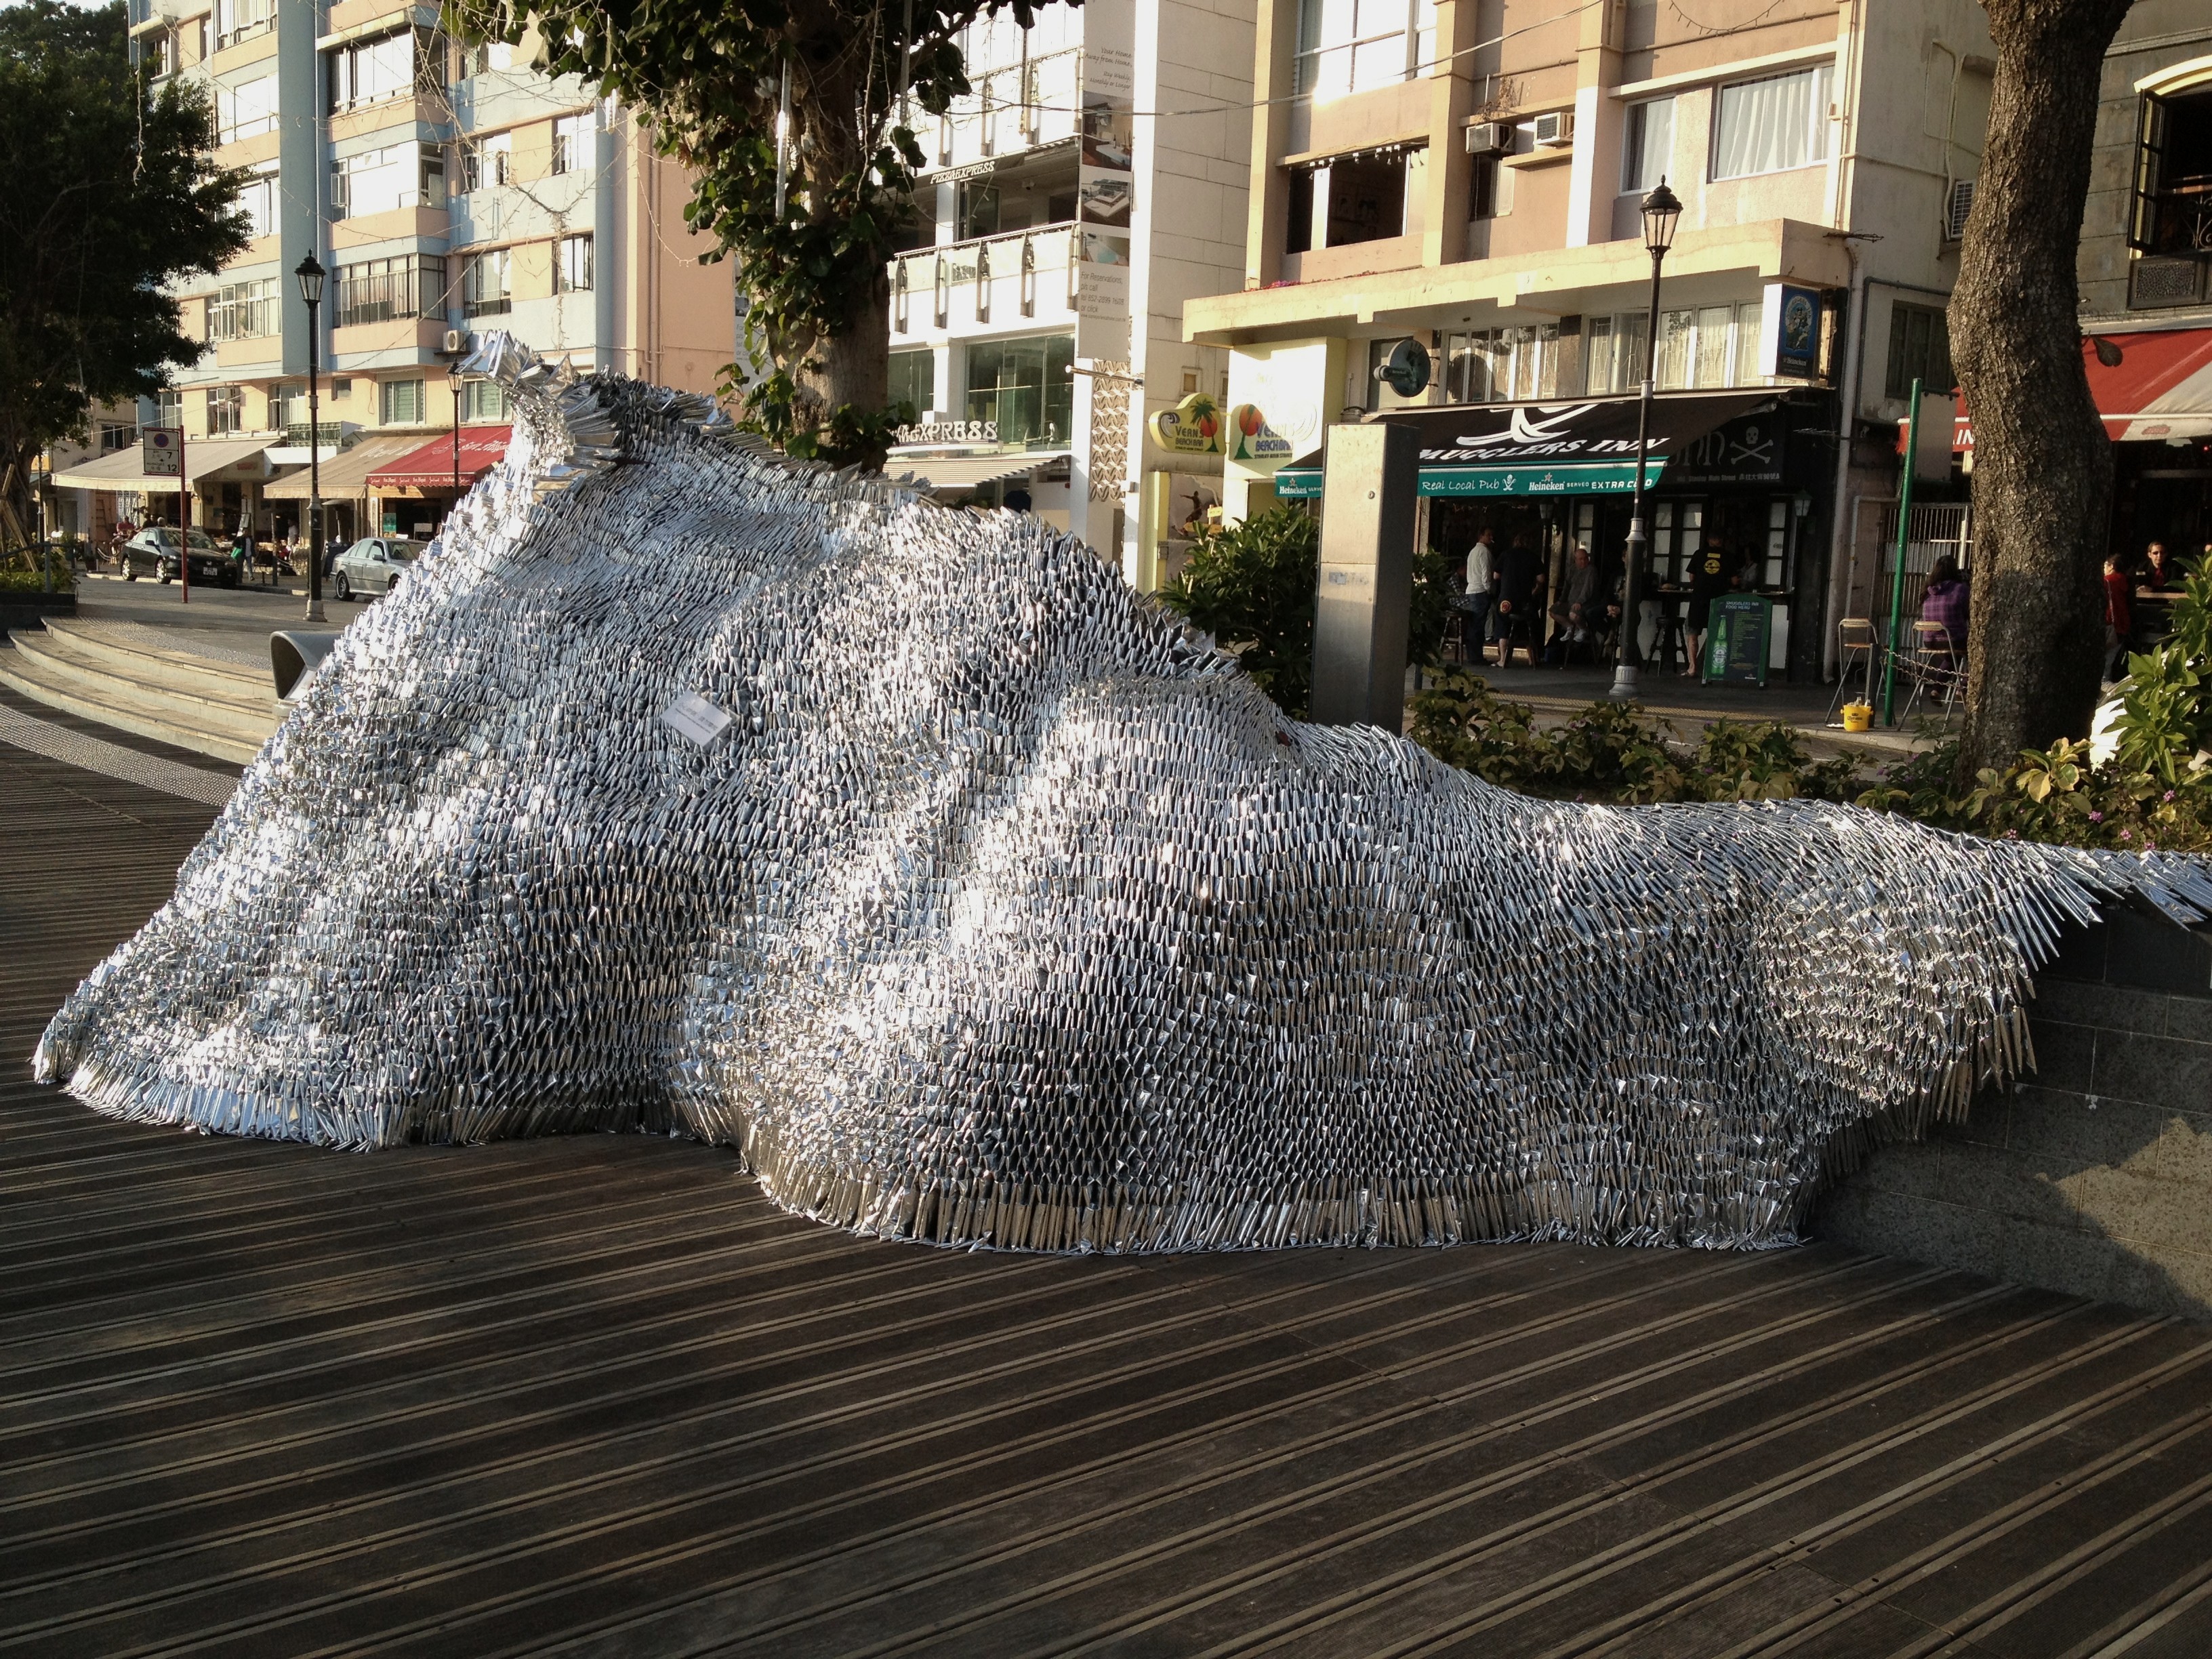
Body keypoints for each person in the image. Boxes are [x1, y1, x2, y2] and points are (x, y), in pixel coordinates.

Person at [1685, 535, 1732, 674]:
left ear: (1709, 540)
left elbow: (1691, 577)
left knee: (1692, 632)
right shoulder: (1728, 556)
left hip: (1698, 598)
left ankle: (1693, 667)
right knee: (1718, 633)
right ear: (1722, 541)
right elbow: (1735, 580)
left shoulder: (1699, 554)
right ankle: (1712, 667)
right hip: (1718, 600)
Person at [1494, 532, 1542, 668]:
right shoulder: (1533, 557)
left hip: (1507, 599)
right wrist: (1535, 590)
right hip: (1524, 600)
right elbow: (1541, 579)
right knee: (1529, 626)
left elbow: (1496, 576)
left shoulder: (1506, 555)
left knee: (1503, 625)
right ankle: (1532, 659)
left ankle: (1503, 660)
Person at [1549, 544, 1598, 664]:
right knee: (1553, 611)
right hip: (1570, 601)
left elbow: (1588, 590)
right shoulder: (1572, 569)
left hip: (1586, 603)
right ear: (1575, 560)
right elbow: (1567, 586)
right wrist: (1561, 599)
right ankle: (1571, 628)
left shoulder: (1591, 570)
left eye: (1585, 558)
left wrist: (1580, 601)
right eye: (1580, 559)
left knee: (1574, 615)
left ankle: (1583, 629)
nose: (1583, 561)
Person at [1919, 554, 1969, 663]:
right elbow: (1968, 613)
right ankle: (1960, 674)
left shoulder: (1928, 592)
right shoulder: (1960, 589)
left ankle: (1939, 674)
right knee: (1968, 646)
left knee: (1951, 657)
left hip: (1929, 640)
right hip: (1953, 640)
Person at [1459, 527, 1496, 666]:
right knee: (1478, 626)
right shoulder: (1484, 552)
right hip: (1480, 591)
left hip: (1471, 590)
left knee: (1474, 624)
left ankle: (1473, 655)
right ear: (1481, 536)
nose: (1491, 538)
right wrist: (1489, 590)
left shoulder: (1473, 552)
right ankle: (1476, 656)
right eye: (1488, 535)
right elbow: (1486, 574)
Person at [2105, 552, 2133, 682]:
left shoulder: (2107, 582)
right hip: (2122, 627)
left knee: (2104, 672)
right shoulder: (2127, 581)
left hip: (2109, 626)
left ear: (2111, 566)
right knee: (2112, 665)